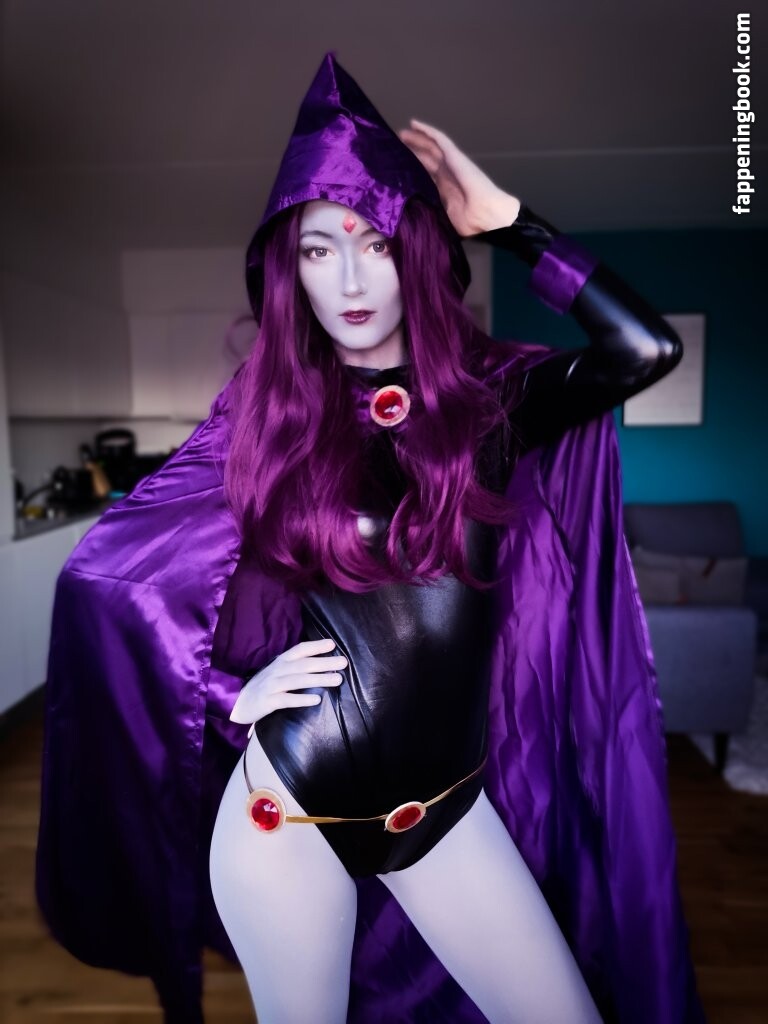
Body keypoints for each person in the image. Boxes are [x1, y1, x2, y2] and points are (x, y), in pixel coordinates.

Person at [35, 54, 706, 1024]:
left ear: (415, 253)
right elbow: (115, 579)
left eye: (374, 242)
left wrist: (513, 224)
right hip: (289, 818)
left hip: (446, 812)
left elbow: (644, 349)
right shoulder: (267, 419)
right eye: (317, 250)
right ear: (289, 272)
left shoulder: (493, 404)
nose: (348, 278)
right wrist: (230, 692)